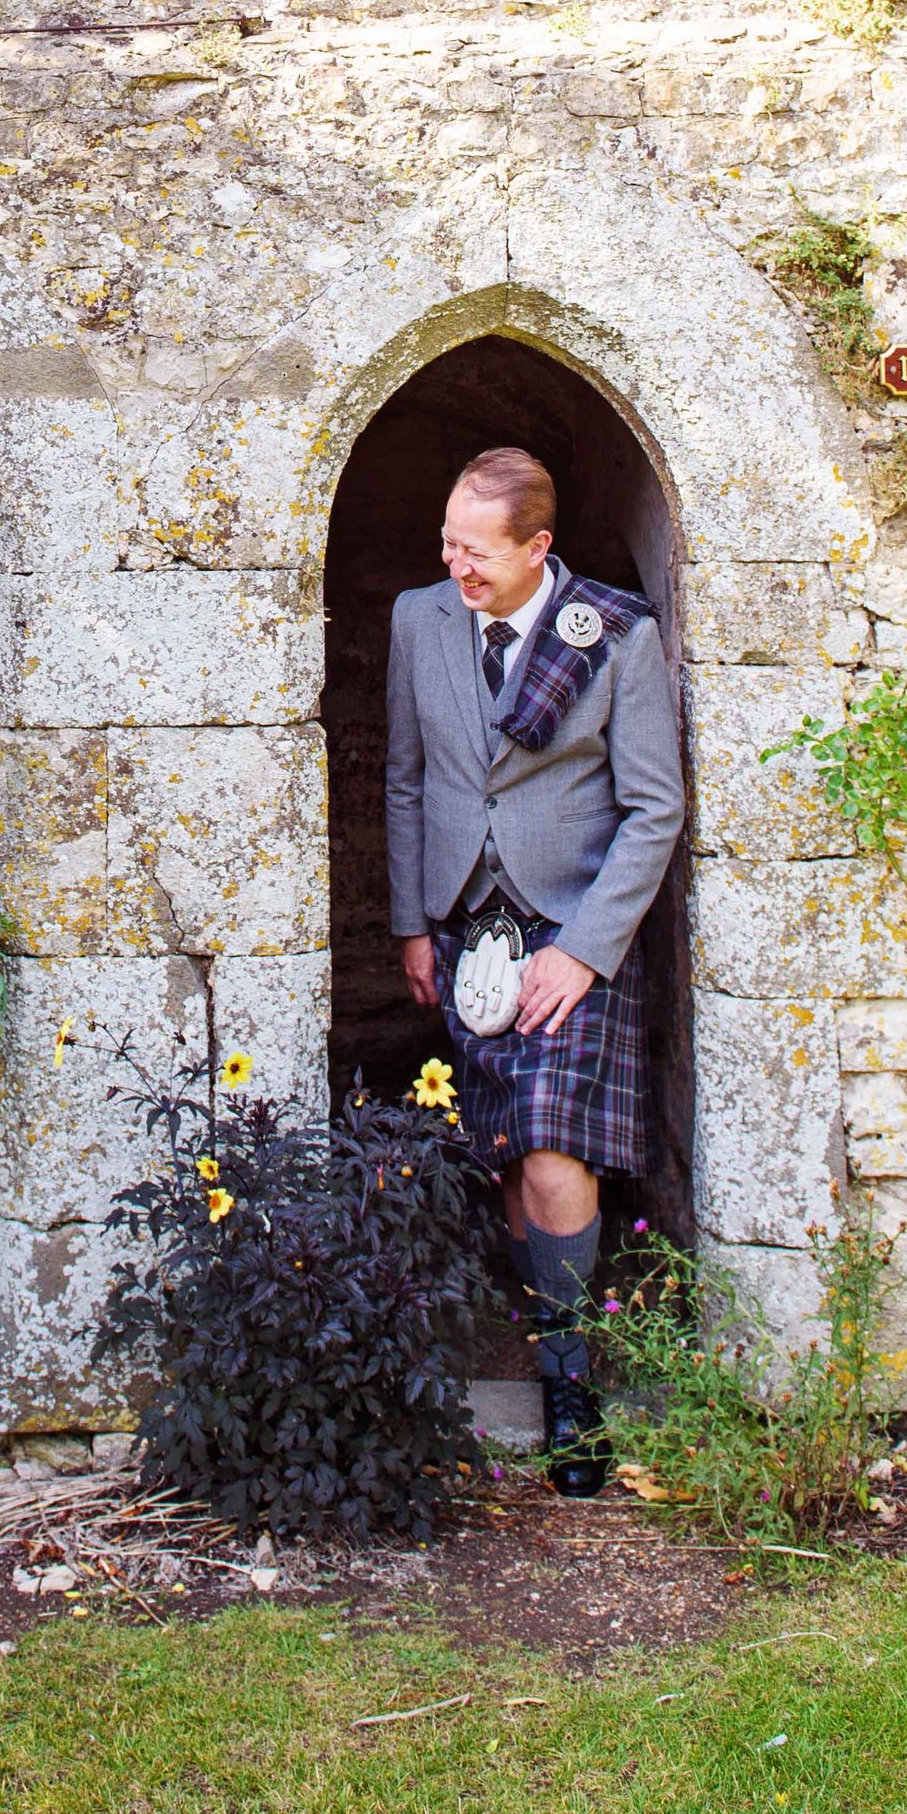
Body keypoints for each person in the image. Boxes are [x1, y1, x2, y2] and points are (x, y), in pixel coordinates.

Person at [384, 445, 685, 1492]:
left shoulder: (613, 635)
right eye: (446, 546)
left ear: (537, 548)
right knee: (509, 1153)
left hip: (570, 936)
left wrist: (586, 950)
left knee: (555, 1155)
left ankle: (566, 1376)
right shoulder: (418, 620)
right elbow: (408, 782)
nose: (454, 568)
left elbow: (655, 809)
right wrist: (414, 924)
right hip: (468, 932)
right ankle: (548, 1306)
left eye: (474, 553)